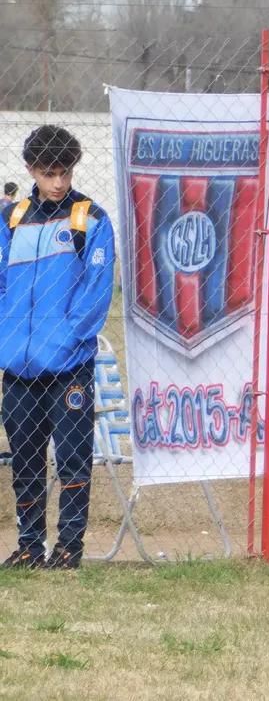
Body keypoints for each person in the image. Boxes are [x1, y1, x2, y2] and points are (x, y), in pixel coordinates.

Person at [0, 126, 115, 570]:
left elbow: (96, 292)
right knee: (25, 459)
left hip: (69, 366)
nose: (59, 182)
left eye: (65, 172)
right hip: (19, 368)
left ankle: (68, 550)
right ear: (30, 170)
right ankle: (30, 547)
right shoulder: (12, 220)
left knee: (71, 459)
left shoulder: (91, 219)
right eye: (49, 173)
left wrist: (66, 340)